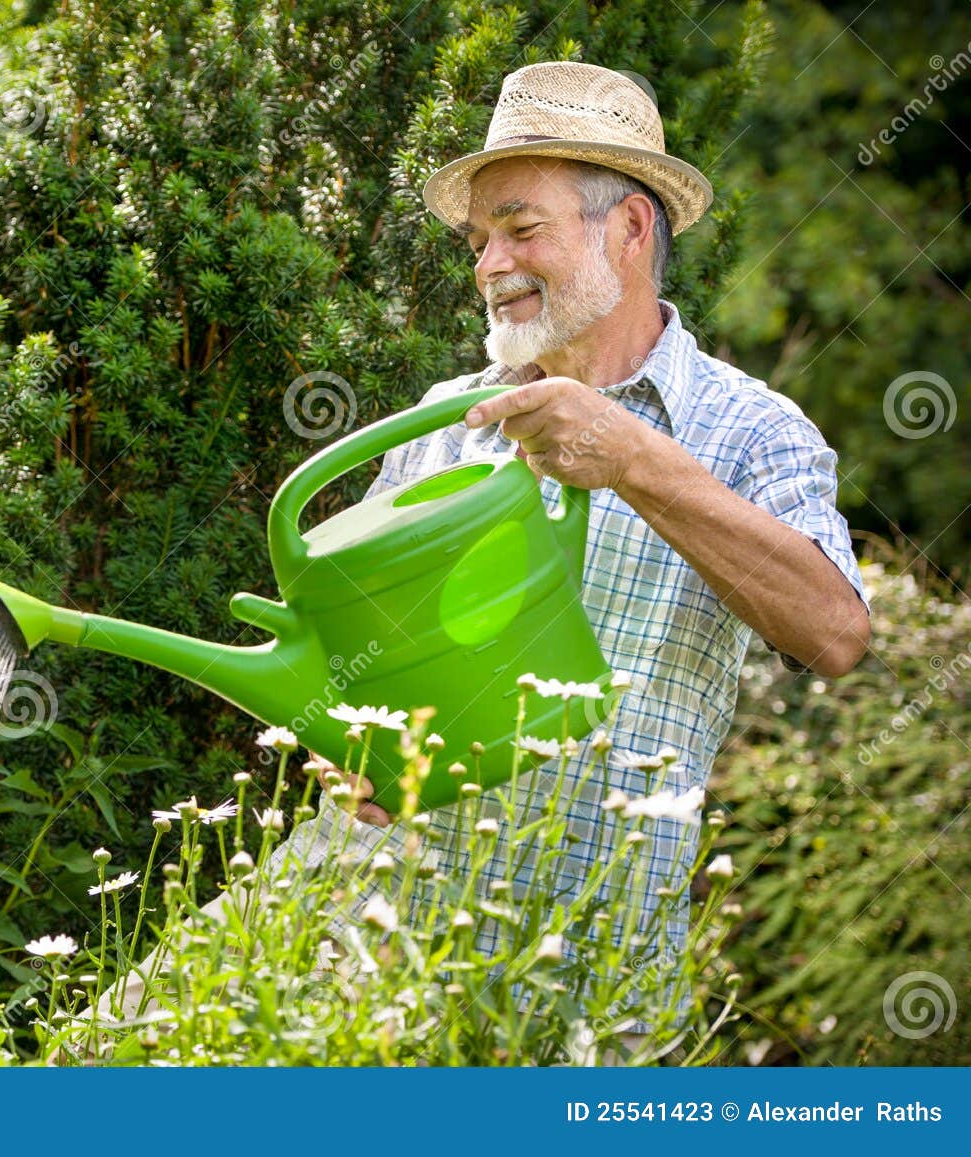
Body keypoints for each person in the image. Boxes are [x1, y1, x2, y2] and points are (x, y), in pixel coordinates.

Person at [85, 60, 871, 1063]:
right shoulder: (442, 422)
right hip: (365, 940)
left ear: (630, 231)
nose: (487, 260)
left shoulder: (749, 430)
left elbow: (834, 629)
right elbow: (352, 670)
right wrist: (344, 743)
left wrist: (634, 460)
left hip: (588, 968)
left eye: (519, 225)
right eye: (477, 238)